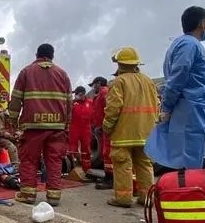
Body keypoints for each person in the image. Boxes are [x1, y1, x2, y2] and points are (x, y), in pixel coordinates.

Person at [145, 6, 205, 170]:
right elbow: (179, 75)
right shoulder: (190, 44)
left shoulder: (179, 44)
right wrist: (167, 106)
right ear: (202, 23)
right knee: (191, 158)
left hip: (187, 106)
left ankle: (187, 190)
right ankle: (192, 190)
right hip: (192, 106)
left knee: (183, 156)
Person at [8, 43, 71, 206]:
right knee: (54, 161)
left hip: (32, 126)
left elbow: (15, 100)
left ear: (36, 55)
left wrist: (13, 121)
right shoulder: (62, 74)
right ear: (52, 56)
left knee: (29, 159)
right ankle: (54, 197)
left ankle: (28, 195)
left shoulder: (26, 72)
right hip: (57, 126)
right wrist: (66, 124)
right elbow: (69, 103)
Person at [102, 47, 159, 207]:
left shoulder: (119, 82)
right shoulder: (148, 81)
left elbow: (113, 108)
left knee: (122, 165)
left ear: (119, 64)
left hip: (123, 133)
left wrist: (106, 127)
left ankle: (123, 198)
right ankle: (147, 198)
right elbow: (157, 105)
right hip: (145, 132)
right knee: (145, 164)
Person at [89, 76, 112, 189]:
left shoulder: (105, 92)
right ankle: (108, 177)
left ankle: (110, 179)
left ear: (99, 83)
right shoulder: (99, 95)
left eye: (94, 85)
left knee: (108, 153)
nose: (93, 88)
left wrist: (103, 125)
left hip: (106, 128)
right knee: (105, 153)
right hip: (101, 128)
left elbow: (109, 110)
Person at [68, 86, 93, 172]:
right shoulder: (72, 103)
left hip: (86, 129)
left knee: (86, 149)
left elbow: (94, 115)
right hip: (74, 128)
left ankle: (86, 169)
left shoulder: (90, 102)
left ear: (82, 93)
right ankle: (73, 168)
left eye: (76, 93)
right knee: (72, 148)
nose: (75, 95)